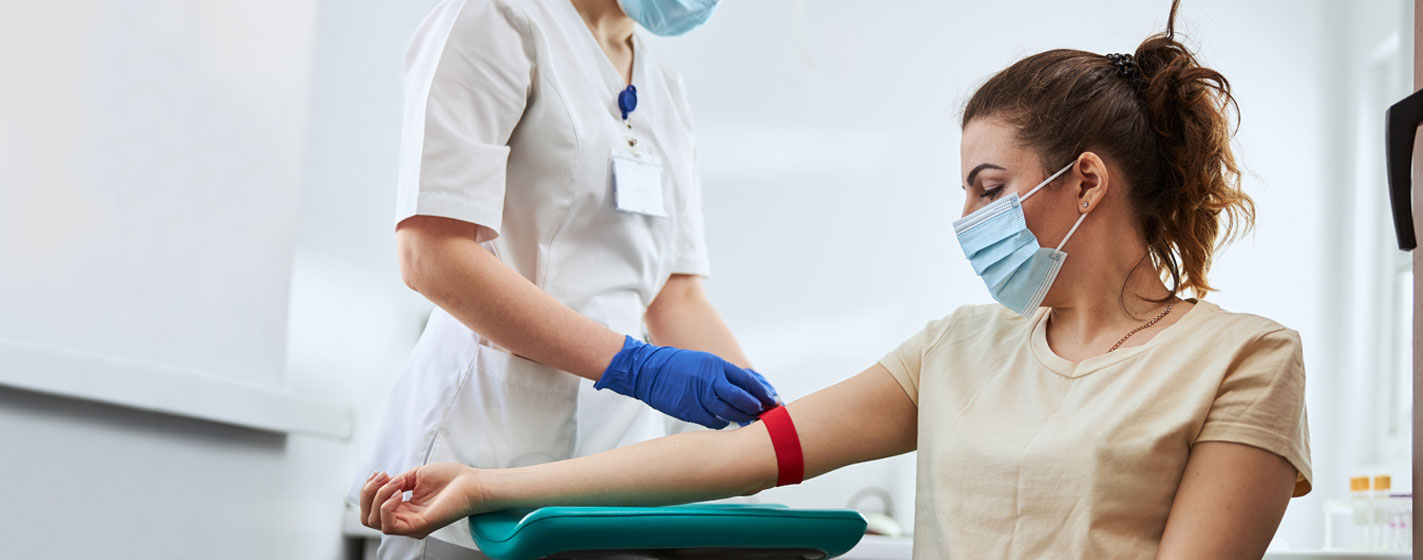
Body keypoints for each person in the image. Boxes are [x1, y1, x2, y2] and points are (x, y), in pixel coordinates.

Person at [363, 2, 1311, 557]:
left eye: (990, 188)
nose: (970, 222)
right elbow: (434, 250)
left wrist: (711, 386)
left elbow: (677, 294)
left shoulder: (1244, 360)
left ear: (1088, 182)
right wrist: (488, 480)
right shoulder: (959, 349)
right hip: (494, 415)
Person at [354, 0, 780, 557]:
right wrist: (634, 365)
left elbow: (677, 296)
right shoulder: (499, 18)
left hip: (615, 467)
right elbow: (431, 253)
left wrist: (774, 429)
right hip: (482, 443)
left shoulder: (666, 92)